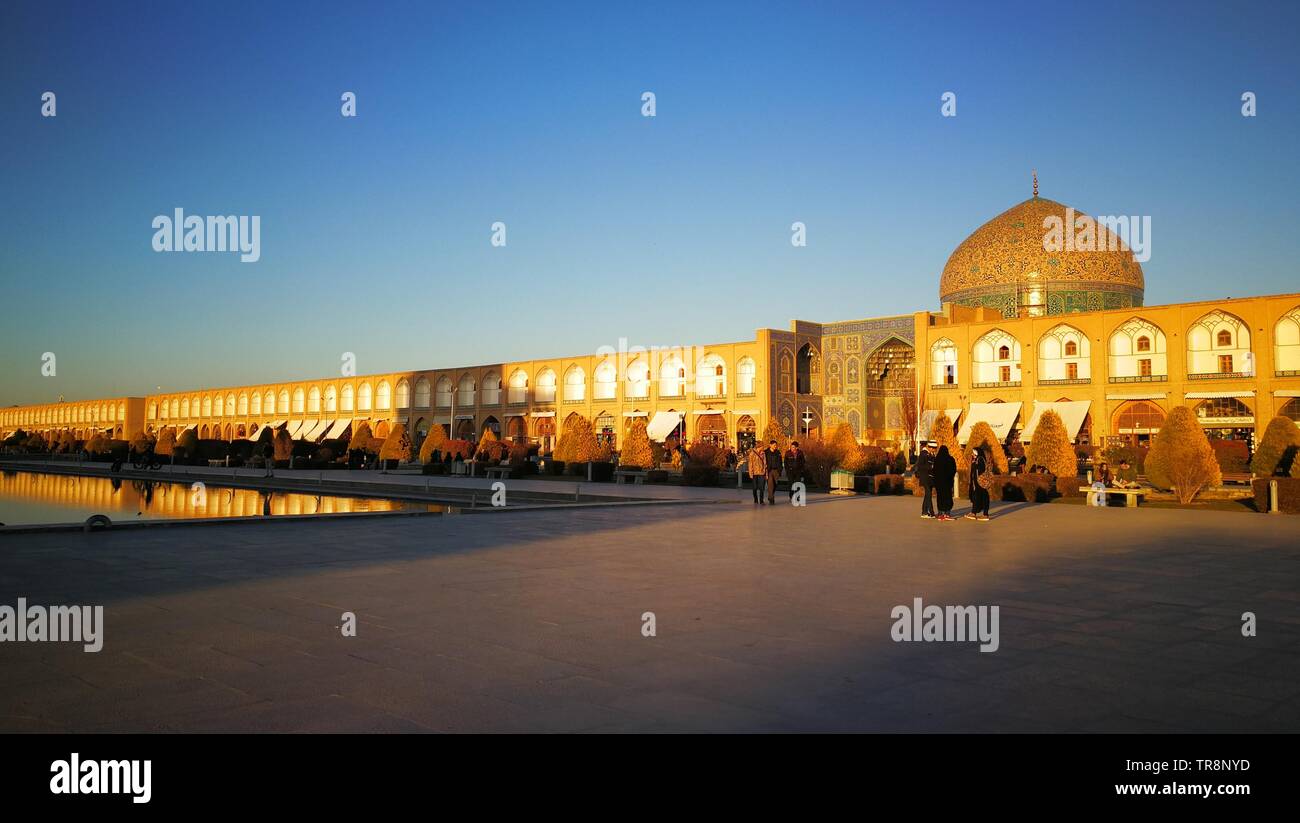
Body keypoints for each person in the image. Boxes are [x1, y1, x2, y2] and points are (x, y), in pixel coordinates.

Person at [966, 445, 991, 521]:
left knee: (979, 496)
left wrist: (975, 465)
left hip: (980, 483)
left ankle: (979, 514)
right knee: (979, 496)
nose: (972, 455)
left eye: (973, 453)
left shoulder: (980, 459)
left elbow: (980, 470)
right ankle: (976, 513)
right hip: (979, 483)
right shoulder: (978, 459)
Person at [933, 444, 957, 520]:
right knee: (948, 496)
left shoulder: (937, 459)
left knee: (940, 497)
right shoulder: (950, 459)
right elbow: (954, 470)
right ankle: (947, 512)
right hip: (948, 482)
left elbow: (934, 471)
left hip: (939, 482)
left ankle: (940, 512)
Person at [916, 441, 936, 519]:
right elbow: (920, 466)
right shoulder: (923, 454)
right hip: (925, 477)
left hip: (930, 478)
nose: (934, 450)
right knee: (928, 494)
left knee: (927, 495)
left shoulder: (932, 454)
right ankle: (928, 512)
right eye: (934, 448)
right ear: (930, 447)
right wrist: (930, 467)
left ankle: (926, 512)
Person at [763, 439, 783, 505]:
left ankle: (770, 495)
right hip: (769, 470)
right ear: (770, 445)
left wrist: (780, 470)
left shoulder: (778, 452)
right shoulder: (765, 452)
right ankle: (771, 498)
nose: (775, 446)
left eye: (776, 445)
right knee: (770, 485)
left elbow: (780, 462)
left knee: (775, 484)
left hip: (776, 470)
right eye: (774, 445)